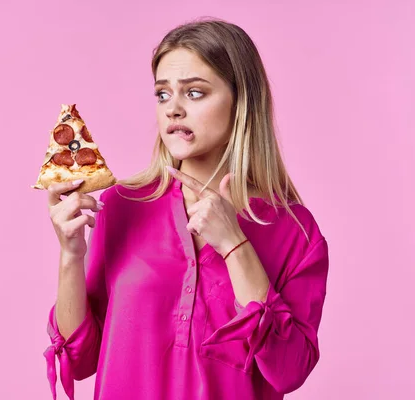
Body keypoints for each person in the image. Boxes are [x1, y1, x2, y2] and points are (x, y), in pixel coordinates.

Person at [43, 18, 329, 400]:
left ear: (241, 101)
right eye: (163, 95)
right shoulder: (121, 206)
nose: (173, 110)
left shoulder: (295, 232)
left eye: (194, 93)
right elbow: (80, 362)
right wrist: (70, 256)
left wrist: (235, 246)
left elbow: (289, 370)